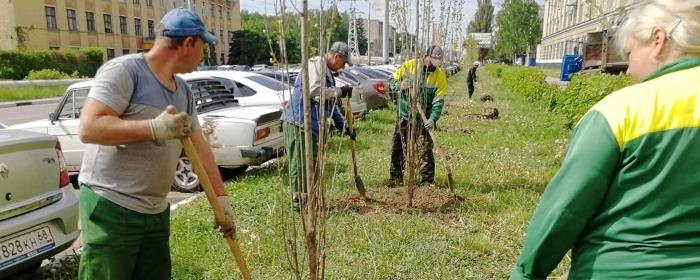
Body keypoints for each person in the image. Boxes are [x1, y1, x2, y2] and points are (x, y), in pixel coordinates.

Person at [511, 0, 700, 278]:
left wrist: (527, 272)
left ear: (658, 41)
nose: (627, 70)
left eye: (630, 53)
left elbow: (566, 209)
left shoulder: (620, 111)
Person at [77, 8, 235, 279]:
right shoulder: (126, 71)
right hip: (112, 207)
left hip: (155, 212)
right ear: (188, 44)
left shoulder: (183, 91)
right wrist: (154, 127)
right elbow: (89, 128)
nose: (204, 54)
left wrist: (220, 199)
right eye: (203, 46)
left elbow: (198, 146)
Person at [282, 41, 355, 211]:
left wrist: (343, 125)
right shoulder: (316, 64)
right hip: (298, 121)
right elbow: (313, 91)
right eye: (343, 62)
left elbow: (330, 104)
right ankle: (298, 206)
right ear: (336, 56)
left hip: (311, 125)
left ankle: (310, 201)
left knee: (311, 165)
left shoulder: (328, 73)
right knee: (300, 165)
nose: (343, 67)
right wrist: (338, 92)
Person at [387, 45, 448, 187]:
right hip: (405, 114)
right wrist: (401, 86)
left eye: (436, 63)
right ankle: (396, 178)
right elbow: (391, 82)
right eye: (431, 61)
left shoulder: (440, 76)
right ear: (425, 56)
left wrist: (433, 119)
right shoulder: (410, 66)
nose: (433, 66)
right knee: (399, 147)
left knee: (425, 149)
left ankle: (426, 181)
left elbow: (438, 101)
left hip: (424, 118)